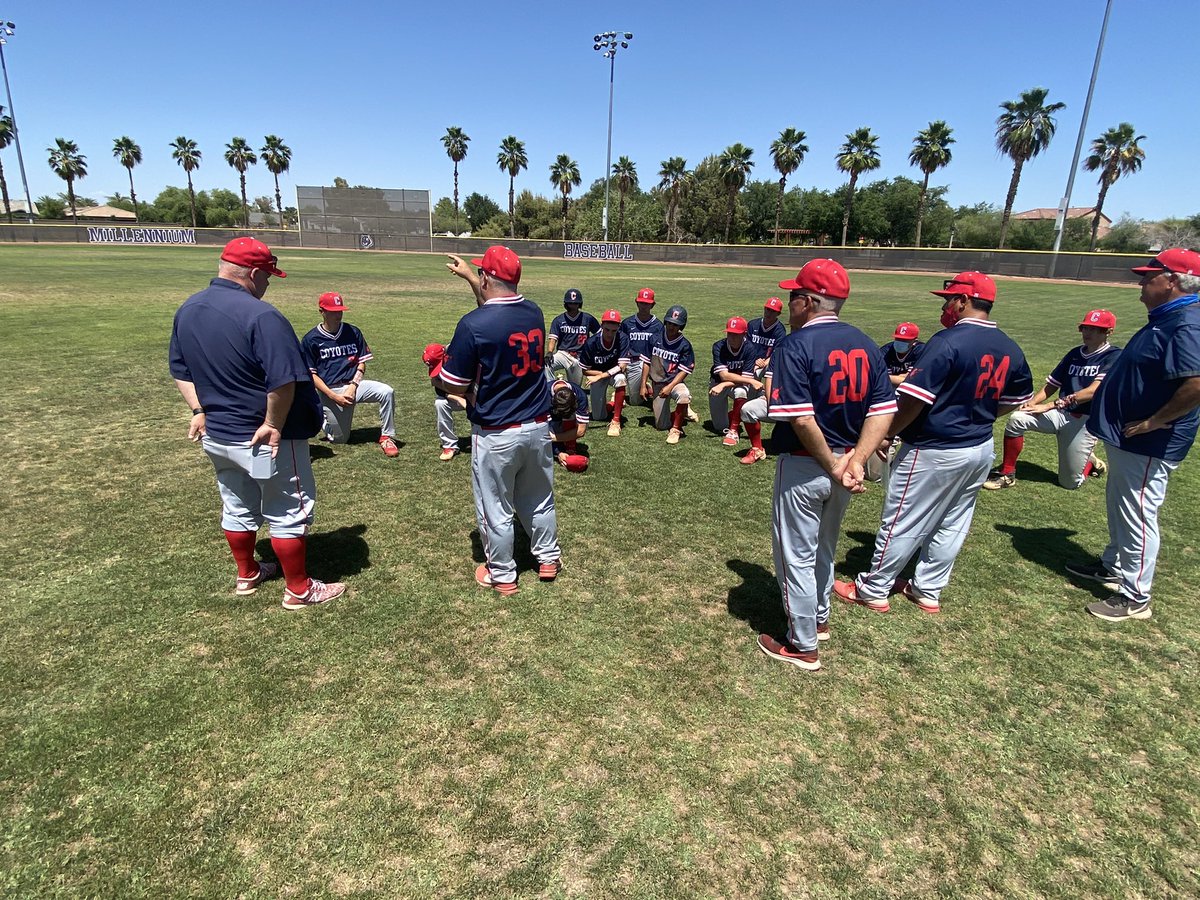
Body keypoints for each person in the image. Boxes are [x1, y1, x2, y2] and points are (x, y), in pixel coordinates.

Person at [834, 271, 1034, 614]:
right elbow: (1017, 398)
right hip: (979, 447)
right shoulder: (1008, 344)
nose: (946, 306)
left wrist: (886, 432)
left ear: (964, 301)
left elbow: (913, 401)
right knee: (954, 521)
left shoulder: (948, 341)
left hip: (933, 448)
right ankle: (927, 589)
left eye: (948, 299)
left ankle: (873, 588)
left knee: (902, 518)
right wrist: (980, 414)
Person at [168, 236, 345, 610]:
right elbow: (283, 379)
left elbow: (180, 369)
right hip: (267, 434)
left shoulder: (188, 309)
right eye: (267, 277)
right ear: (251, 273)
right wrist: (273, 422)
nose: (267, 284)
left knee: (236, 503)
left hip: (216, 432)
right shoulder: (262, 315)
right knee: (288, 509)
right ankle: (299, 589)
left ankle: (247, 573)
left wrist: (199, 410)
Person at [756, 259, 897, 671]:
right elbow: (884, 410)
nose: (788, 305)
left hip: (808, 464)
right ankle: (818, 618)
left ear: (809, 301)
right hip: (846, 467)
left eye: (793, 297)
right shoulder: (866, 343)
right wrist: (856, 459)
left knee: (795, 554)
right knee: (825, 547)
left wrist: (835, 463)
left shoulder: (795, 345)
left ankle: (802, 645)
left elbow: (800, 418)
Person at [1067, 248, 1200, 622]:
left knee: (1138, 513)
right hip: (1130, 437)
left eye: (1149, 276)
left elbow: (1196, 384)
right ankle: (1112, 565)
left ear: (1172, 280)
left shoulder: (1188, 322)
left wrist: (1155, 421)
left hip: (1150, 440)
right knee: (1122, 507)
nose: (1141, 282)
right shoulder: (1168, 316)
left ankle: (1135, 596)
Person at [438, 246, 562, 595]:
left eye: (480, 274)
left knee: (495, 508)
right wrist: (469, 278)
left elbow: (453, 381)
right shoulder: (534, 312)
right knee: (539, 499)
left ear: (487, 277)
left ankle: (503, 574)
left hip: (496, 431)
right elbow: (496, 313)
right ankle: (548, 558)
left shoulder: (472, 325)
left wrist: (448, 382)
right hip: (538, 426)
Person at [983, 309, 1120, 491]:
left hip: (1084, 422)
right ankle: (1007, 473)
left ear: (1108, 332)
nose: (1088, 333)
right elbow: (1052, 384)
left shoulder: (1114, 356)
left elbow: (1092, 391)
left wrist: (1049, 405)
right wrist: (1034, 401)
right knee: (1018, 419)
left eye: (1095, 329)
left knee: (1070, 483)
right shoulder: (1075, 353)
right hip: (1060, 414)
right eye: (1086, 327)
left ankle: (1090, 463)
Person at [300, 292, 399, 458]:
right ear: (322, 311)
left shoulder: (352, 332)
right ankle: (321, 415)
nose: (338, 314)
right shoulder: (311, 339)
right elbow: (312, 375)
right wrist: (333, 396)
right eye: (333, 311)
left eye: (340, 310)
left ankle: (387, 437)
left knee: (386, 392)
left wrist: (353, 386)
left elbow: (362, 362)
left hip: (354, 385)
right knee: (340, 440)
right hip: (330, 390)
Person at [641, 304, 695, 444]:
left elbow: (684, 370)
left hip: (675, 382)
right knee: (661, 425)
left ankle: (676, 428)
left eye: (676, 325)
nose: (671, 327)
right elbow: (646, 363)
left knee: (683, 395)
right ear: (665, 322)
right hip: (658, 384)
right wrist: (642, 385)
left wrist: (670, 387)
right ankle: (682, 411)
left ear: (681, 326)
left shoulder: (684, 345)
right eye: (669, 323)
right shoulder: (654, 339)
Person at [708, 316, 763, 447]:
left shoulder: (749, 348)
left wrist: (724, 384)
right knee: (719, 426)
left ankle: (733, 430)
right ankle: (734, 414)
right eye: (730, 333)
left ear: (744, 334)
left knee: (741, 391)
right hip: (717, 383)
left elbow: (742, 380)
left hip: (732, 385)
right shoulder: (718, 346)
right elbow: (724, 375)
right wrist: (723, 383)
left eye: (736, 334)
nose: (732, 337)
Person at [579, 308, 630, 436]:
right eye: (607, 329)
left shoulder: (622, 338)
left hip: (612, 374)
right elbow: (585, 370)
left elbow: (622, 366)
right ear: (601, 325)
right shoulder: (591, 343)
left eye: (614, 330)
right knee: (598, 416)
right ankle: (615, 401)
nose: (610, 334)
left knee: (620, 379)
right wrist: (598, 376)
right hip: (597, 374)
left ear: (619, 327)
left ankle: (616, 421)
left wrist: (602, 375)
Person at [619, 288, 663, 409]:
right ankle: (644, 387)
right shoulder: (627, 323)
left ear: (652, 305)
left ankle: (647, 385)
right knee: (635, 402)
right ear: (636, 302)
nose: (644, 306)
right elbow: (621, 344)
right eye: (641, 303)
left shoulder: (658, 325)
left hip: (652, 363)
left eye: (647, 304)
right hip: (633, 362)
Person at [545, 288, 599, 385]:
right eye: (570, 303)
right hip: (563, 354)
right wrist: (549, 352)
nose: (573, 306)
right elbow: (553, 339)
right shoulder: (558, 320)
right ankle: (551, 386)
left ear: (579, 304)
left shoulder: (587, 318)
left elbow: (599, 334)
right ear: (566, 304)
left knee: (574, 387)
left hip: (579, 356)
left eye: (575, 303)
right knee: (546, 364)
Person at [422, 342, 466, 461]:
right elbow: (439, 390)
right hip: (459, 396)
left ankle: (482, 439)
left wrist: (462, 396)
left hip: (477, 394)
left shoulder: (461, 358)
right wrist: (457, 397)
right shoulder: (439, 365)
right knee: (440, 403)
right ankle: (449, 445)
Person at [549, 378, 591, 472]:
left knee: (598, 415)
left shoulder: (580, 396)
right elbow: (541, 431)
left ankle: (570, 447)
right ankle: (562, 447)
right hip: (550, 421)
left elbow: (581, 431)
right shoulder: (543, 396)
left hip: (557, 429)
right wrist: (558, 452)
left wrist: (554, 438)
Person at [746, 296, 787, 374]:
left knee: (761, 371)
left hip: (767, 362)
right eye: (768, 309)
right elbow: (746, 346)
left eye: (773, 311)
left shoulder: (780, 330)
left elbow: (776, 353)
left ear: (778, 313)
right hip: (750, 359)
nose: (769, 313)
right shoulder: (752, 324)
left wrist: (762, 364)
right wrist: (753, 360)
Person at [881, 322, 924, 386]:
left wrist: (887, 378)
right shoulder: (886, 350)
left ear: (914, 341)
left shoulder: (921, 350)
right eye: (898, 338)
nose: (900, 342)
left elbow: (913, 380)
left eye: (905, 340)